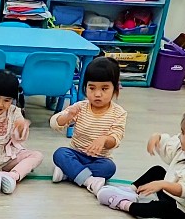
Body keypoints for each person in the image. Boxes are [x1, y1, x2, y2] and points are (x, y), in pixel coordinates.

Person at [95, 103, 185, 218]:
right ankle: (131, 190)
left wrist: (162, 184)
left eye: (183, 133)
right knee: (157, 171)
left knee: (161, 207)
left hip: (181, 208)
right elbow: (170, 149)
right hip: (168, 192)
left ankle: (124, 204)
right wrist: (157, 137)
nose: (179, 136)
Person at [48, 56, 127, 187]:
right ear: (85, 87)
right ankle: (88, 180)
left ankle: (69, 173)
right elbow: (54, 124)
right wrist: (68, 116)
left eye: (104, 88)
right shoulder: (81, 107)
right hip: (76, 154)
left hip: (99, 159)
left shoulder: (119, 113)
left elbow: (115, 139)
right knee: (60, 153)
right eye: (92, 88)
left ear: (115, 88)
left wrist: (104, 139)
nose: (97, 94)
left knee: (109, 168)